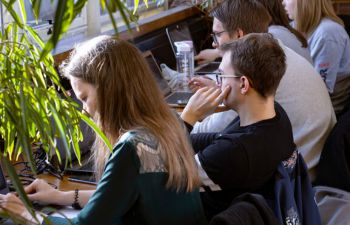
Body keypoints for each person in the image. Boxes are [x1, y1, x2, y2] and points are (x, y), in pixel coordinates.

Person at [0, 36, 207, 225]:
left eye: (84, 98)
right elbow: (117, 197)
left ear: (109, 92)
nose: (85, 110)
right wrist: (60, 196)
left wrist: (28, 216)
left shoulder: (133, 147)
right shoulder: (168, 125)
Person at [190, 0, 336, 181]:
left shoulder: (256, 72)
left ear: (238, 35)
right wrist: (223, 85)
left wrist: (188, 117)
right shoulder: (274, 55)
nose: (214, 44)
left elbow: (208, 132)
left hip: (297, 178)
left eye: (217, 35)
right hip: (311, 164)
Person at [182, 32, 296, 220]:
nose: (218, 83)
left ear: (243, 84)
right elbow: (216, 140)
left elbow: (169, 174)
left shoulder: (236, 151)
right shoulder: (275, 115)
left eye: (221, 75)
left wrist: (188, 118)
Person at [283, 0, 350, 114]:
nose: (283, 3)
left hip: (327, 110)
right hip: (310, 102)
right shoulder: (295, 26)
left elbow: (321, 90)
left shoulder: (327, 33)